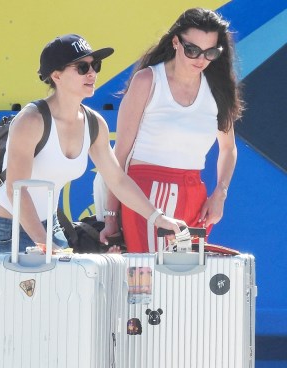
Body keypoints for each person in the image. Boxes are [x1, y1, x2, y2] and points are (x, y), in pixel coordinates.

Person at [0, 34, 186, 255]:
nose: (92, 72)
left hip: (48, 226)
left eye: (95, 65)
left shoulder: (94, 124)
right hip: (1, 228)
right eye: (82, 67)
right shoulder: (31, 120)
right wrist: (44, 244)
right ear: (56, 75)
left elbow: (118, 180)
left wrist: (157, 218)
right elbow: (16, 190)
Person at [99, 7, 244, 253]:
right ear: (176, 42)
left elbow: (228, 148)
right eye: (192, 50)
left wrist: (220, 193)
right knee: (148, 283)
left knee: (186, 285)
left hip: (194, 195)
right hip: (145, 193)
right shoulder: (148, 80)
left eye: (211, 52)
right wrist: (111, 216)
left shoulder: (219, 88)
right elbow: (119, 156)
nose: (200, 59)